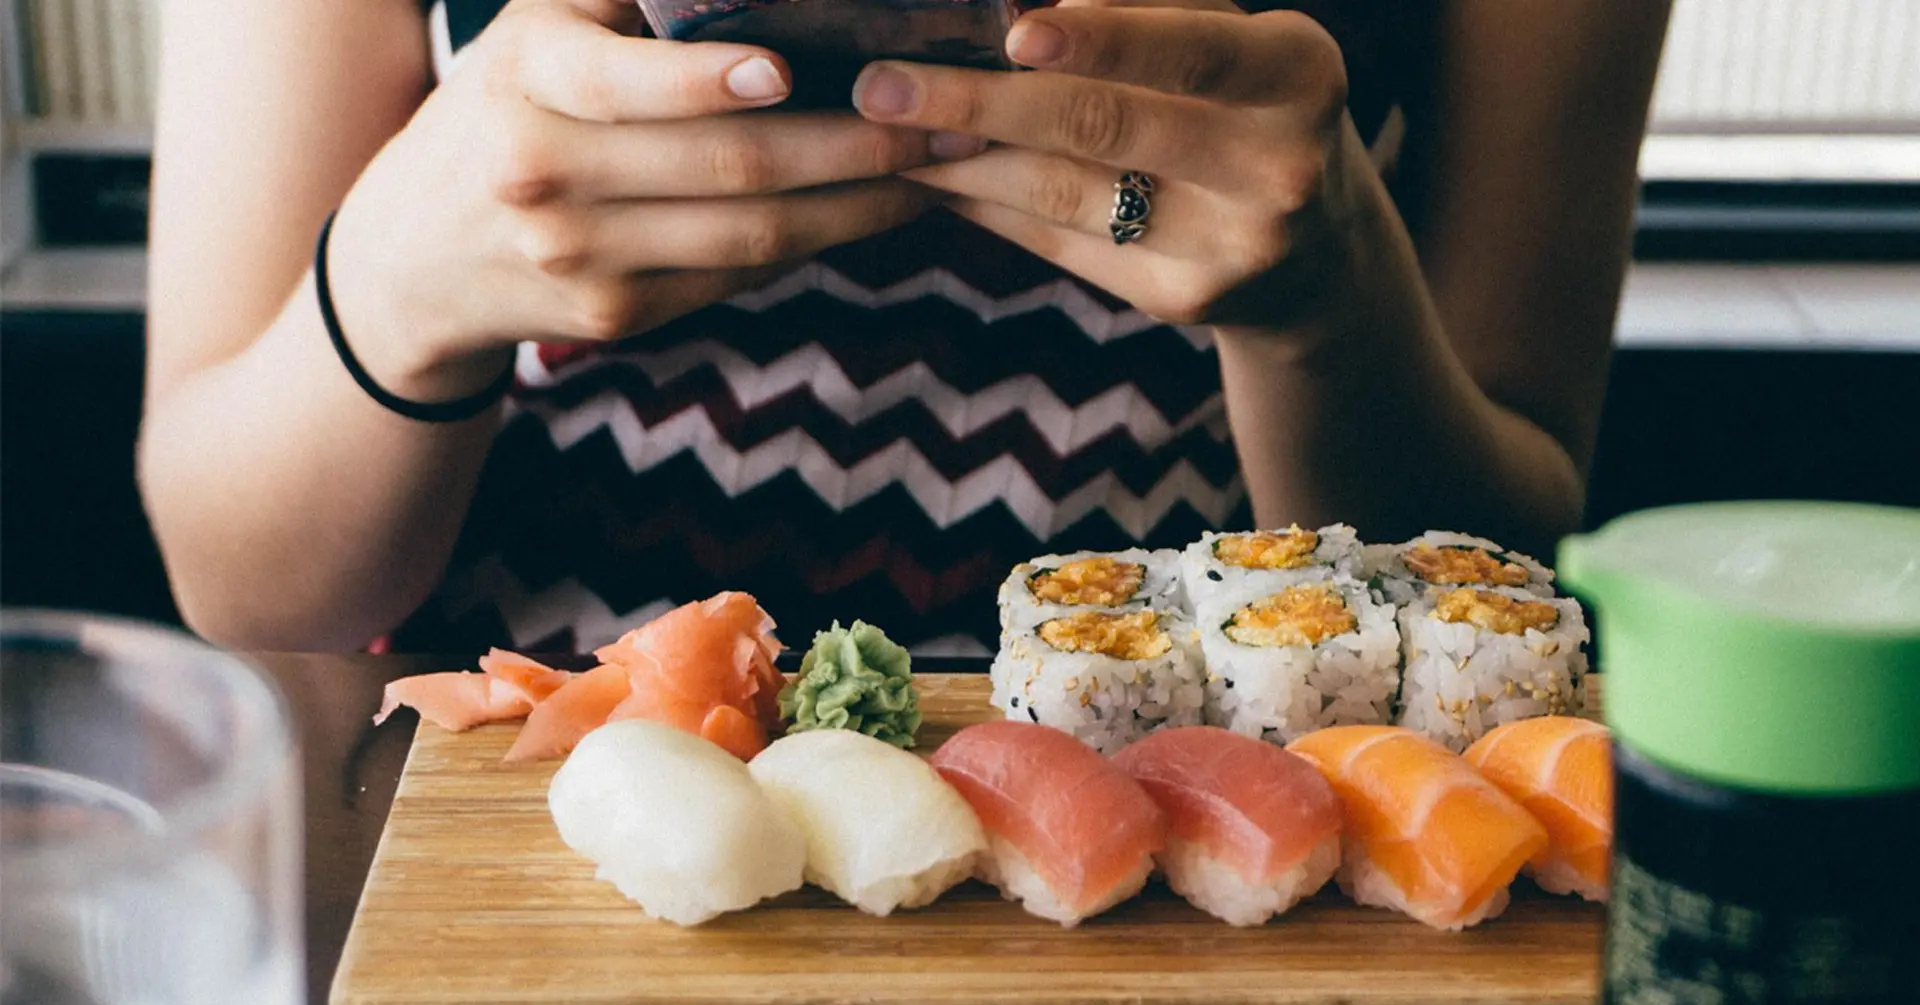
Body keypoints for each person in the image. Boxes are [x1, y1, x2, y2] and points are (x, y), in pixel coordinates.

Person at [137, 0, 1673, 655]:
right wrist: (397, 297)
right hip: (519, 851)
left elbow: (1500, 584)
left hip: (1213, 863)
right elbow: (243, 577)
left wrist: (1323, 307)